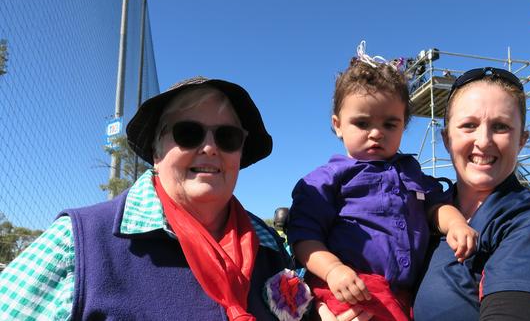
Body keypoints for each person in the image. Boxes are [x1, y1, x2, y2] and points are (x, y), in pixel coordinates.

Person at [0, 77, 311, 320]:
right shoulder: (79, 244)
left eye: (227, 137)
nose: (210, 148)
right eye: (188, 133)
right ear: (156, 151)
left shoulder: (269, 247)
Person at [287, 42, 477, 320]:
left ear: (404, 124)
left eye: (390, 124)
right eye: (362, 123)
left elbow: (435, 206)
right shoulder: (326, 180)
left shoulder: (411, 172)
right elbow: (304, 237)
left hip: (402, 293)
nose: (376, 133)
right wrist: (333, 270)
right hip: (350, 289)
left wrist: (456, 223)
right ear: (338, 125)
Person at [413, 67, 530, 320]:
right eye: (468, 125)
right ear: (446, 139)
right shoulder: (421, 215)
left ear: (521, 140)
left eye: (500, 126)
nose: (484, 140)